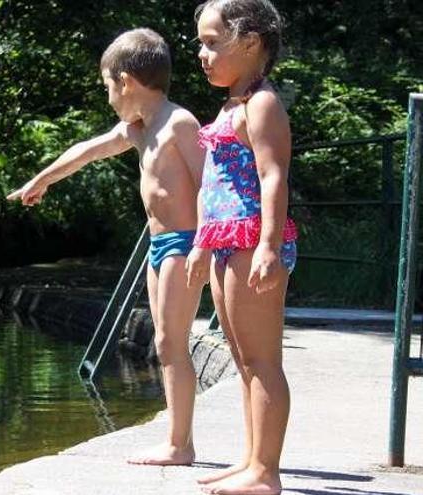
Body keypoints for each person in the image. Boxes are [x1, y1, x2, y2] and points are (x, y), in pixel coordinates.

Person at [7, 28, 208, 466]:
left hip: (184, 242)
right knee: (162, 341)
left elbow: (211, 185)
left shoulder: (179, 123)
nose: (108, 97)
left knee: (173, 342)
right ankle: (178, 438)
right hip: (159, 246)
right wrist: (41, 180)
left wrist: (205, 246)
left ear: (127, 81)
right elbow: (87, 151)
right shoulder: (140, 128)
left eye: (107, 87)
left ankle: (180, 444)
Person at [184, 1, 297, 494]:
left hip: (253, 242)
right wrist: (201, 244)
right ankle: (251, 461)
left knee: (263, 359)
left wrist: (269, 246)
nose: (202, 54)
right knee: (242, 359)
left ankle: (266, 473)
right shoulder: (231, 104)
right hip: (225, 242)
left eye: (212, 42)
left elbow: (273, 177)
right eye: (201, 43)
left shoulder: (262, 104)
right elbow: (216, 183)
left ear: (249, 44)